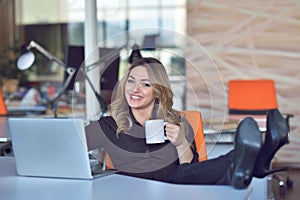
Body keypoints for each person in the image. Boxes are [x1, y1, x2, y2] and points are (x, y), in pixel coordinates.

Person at [85, 57, 289, 189]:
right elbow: (70, 149)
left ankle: (246, 164)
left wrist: (181, 143)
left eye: (145, 84)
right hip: (134, 190)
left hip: (174, 190)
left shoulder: (177, 122)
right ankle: (256, 159)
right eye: (130, 81)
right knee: (193, 175)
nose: (134, 89)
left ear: (158, 90)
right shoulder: (107, 125)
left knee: (184, 174)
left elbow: (192, 171)